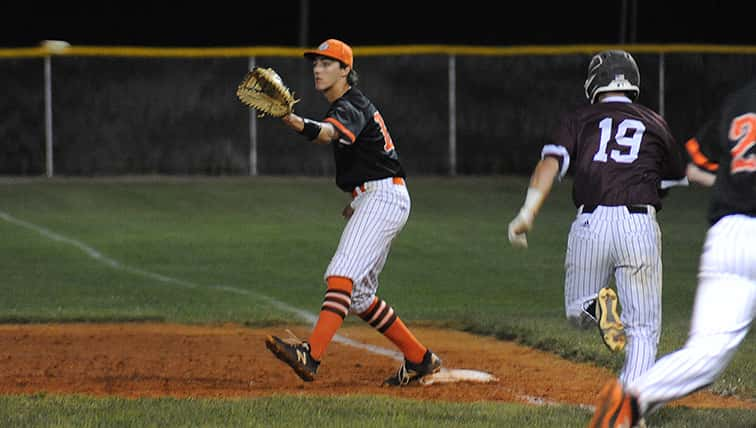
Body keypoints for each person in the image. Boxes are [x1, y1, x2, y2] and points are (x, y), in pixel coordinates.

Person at [264, 38, 442, 386]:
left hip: (384, 197)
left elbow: (326, 134)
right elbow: (370, 157)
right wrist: (358, 200)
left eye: (327, 63)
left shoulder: (351, 104)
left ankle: (310, 355)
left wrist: (290, 119)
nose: (318, 68)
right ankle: (420, 359)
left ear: (346, 70)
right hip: (378, 196)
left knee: (341, 274)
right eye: (315, 63)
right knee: (358, 294)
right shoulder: (348, 105)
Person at [507, 50, 688, 385]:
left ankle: (597, 307)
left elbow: (550, 164)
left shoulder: (580, 118)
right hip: (639, 225)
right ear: (632, 82)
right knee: (643, 332)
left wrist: (526, 213)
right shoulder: (654, 122)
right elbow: (675, 177)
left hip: (591, 222)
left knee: (577, 311)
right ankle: (629, 409)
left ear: (594, 83)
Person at [588, 79, 756, 428]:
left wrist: (731, 184)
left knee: (706, 355)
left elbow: (695, 166)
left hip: (728, 235)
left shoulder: (740, 99)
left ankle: (631, 399)